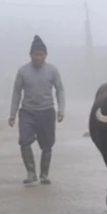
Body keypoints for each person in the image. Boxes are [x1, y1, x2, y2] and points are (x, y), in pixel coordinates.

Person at [9, 35, 65, 185]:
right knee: (24, 141)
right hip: (27, 111)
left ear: (45, 55)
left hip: (46, 111)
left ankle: (44, 174)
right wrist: (12, 113)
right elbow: (16, 92)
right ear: (31, 55)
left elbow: (60, 90)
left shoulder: (52, 70)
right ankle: (31, 173)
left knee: (47, 145)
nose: (39, 57)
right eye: (36, 54)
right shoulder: (23, 71)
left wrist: (61, 109)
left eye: (41, 54)